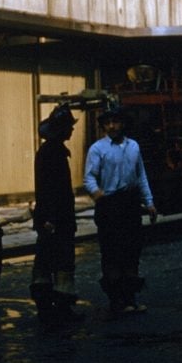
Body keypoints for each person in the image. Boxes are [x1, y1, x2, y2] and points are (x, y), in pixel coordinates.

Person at [83, 108, 157, 316]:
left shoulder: (133, 146)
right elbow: (88, 177)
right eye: (108, 123)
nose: (112, 126)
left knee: (132, 251)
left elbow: (140, 175)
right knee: (112, 252)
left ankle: (130, 297)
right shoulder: (98, 149)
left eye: (116, 122)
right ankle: (116, 300)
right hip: (109, 203)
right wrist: (97, 194)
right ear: (104, 126)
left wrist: (149, 202)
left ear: (123, 124)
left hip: (130, 203)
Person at [30, 104, 83, 330]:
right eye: (69, 127)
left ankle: (48, 306)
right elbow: (49, 188)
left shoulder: (50, 151)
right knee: (59, 259)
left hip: (53, 216)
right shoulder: (52, 153)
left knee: (46, 259)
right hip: (56, 217)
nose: (71, 131)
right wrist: (50, 217)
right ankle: (58, 306)